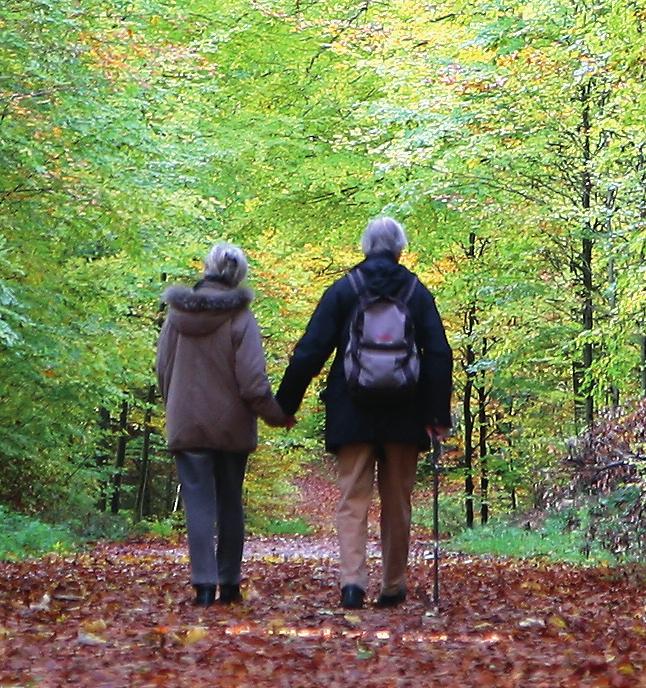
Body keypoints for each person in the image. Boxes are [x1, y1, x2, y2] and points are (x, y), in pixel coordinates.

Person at [276, 217, 452, 609]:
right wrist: (437, 414)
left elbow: (310, 350)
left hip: (351, 410)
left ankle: (352, 583)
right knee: (397, 502)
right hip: (406, 413)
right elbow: (438, 353)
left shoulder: (344, 290)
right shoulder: (415, 292)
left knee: (352, 500)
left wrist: (287, 404)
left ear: (365, 248)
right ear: (399, 249)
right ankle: (393, 585)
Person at [156, 242, 292, 607]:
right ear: (239, 275)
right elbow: (252, 382)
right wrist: (276, 416)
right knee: (230, 501)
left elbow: (163, 369)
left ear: (207, 269)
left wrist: (176, 404)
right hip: (231, 425)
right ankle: (229, 582)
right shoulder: (240, 317)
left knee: (198, 503)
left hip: (186, 422)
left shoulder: (176, 315)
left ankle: (203, 585)